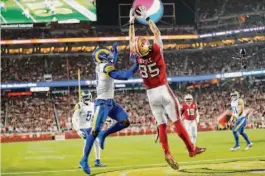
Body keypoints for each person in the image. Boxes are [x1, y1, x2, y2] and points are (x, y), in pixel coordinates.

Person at [129, 6, 206, 170]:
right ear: (147, 46)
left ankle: (167, 152)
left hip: (150, 94)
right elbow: (156, 33)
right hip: (163, 89)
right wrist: (148, 18)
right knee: (177, 120)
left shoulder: (137, 57)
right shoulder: (156, 50)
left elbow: (131, 42)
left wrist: (131, 22)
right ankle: (191, 149)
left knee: (161, 124)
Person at [78, 43, 139, 174]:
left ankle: (104, 134)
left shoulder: (102, 65)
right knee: (94, 132)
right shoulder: (105, 67)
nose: (110, 56)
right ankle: (84, 160)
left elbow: (112, 63)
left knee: (125, 122)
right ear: (103, 57)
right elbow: (124, 76)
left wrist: (116, 52)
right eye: (108, 54)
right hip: (102, 103)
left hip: (110, 102)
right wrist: (137, 65)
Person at [72, 91, 106, 168]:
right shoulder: (79, 105)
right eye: (85, 97)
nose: (86, 99)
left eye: (87, 97)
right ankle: (83, 162)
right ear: (82, 98)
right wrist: (78, 130)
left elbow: (96, 116)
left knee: (97, 142)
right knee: (87, 143)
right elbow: (74, 119)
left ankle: (97, 161)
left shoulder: (93, 105)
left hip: (90, 127)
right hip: (82, 128)